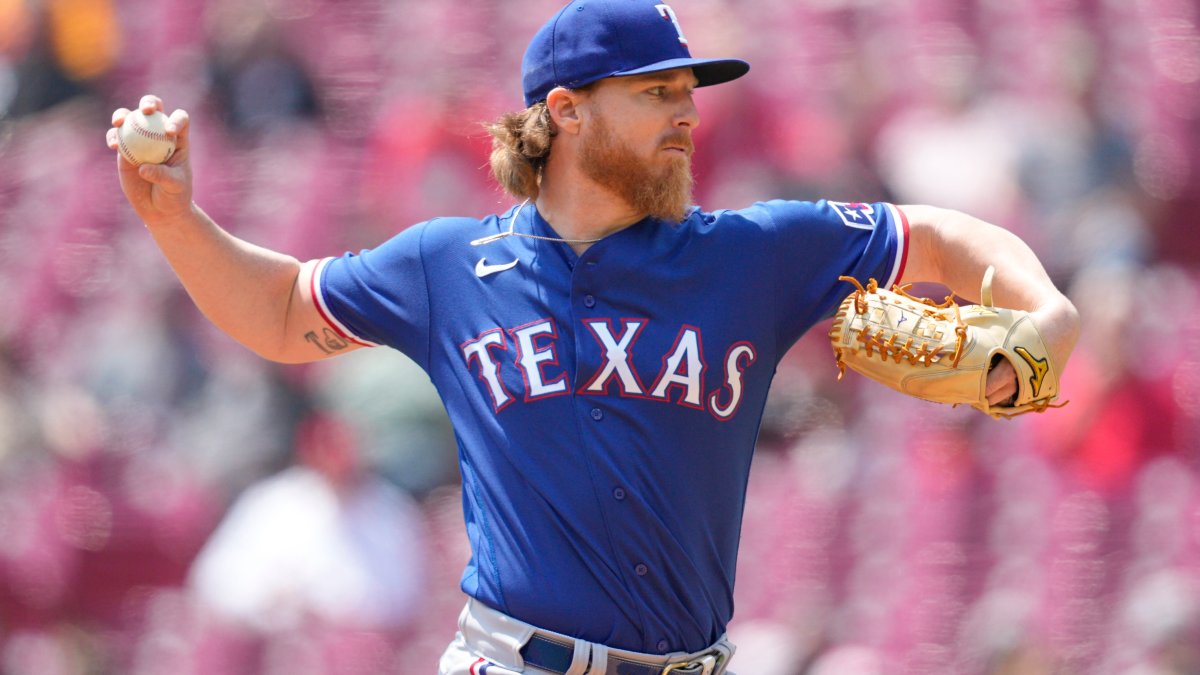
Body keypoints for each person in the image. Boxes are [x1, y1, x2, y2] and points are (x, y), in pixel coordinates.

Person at [106, 1, 1080, 673]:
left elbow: (947, 236)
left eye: (687, 93)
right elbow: (280, 313)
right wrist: (175, 221)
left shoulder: (754, 254)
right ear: (564, 112)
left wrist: (1046, 314)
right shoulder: (450, 267)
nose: (687, 113)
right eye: (655, 91)